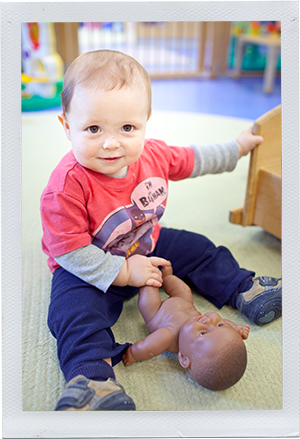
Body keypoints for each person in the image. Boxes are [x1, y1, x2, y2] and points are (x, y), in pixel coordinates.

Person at [40, 49, 282, 411]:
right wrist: (122, 271)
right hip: (88, 266)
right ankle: (92, 380)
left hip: (147, 243)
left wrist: (237, 148)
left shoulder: (153, 155)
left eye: (127, 128)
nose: (111, 142)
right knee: (72, 310)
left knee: (199, 248)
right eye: (93, 128)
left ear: (145, 122)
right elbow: (69, 250)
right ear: (66, 126)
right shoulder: (65, 187)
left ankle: (244, 289)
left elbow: (194, 158)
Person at [123, 265, 250, 391]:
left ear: (183, 358)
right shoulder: (205, 324)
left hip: (157, 312)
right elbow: (226, 324)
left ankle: (148, 278)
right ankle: (167, 277)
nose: (208, 321)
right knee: (184, 290)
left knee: (147, 297)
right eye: (219, 325)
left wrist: (133, 354)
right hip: (184, 302)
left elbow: (148, 348)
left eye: (203, 333)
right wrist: (236, 328)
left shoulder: (168, 335)